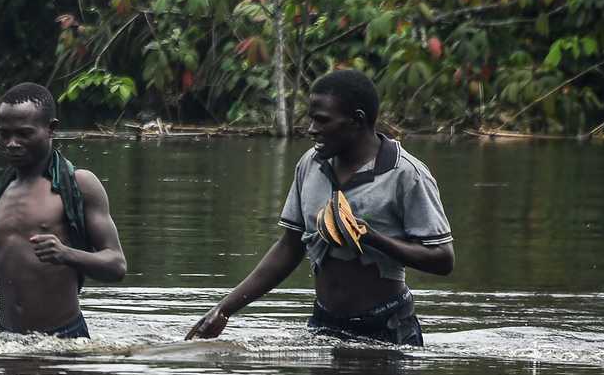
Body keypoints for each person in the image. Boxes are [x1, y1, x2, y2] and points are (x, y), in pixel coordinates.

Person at [186, 69, 454, 345]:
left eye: (322, 120)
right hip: (324, 325)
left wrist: (371, 238)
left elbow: (443, 259)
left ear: (357, 121)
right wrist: (224, 309)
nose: (311, 129)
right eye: (311, 119)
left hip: (387, 327)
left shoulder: (405, 174)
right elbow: (289, 247)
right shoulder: (310, 164)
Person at [0, 82, 126, 337]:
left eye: (23, 134)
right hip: (6, 338)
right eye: (4, 134)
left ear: (51, 129)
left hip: (63, 339)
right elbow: (8, 273)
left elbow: (116, 265)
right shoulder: (3, 190)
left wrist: (66, 254)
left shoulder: (79, 184)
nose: (12, 143)